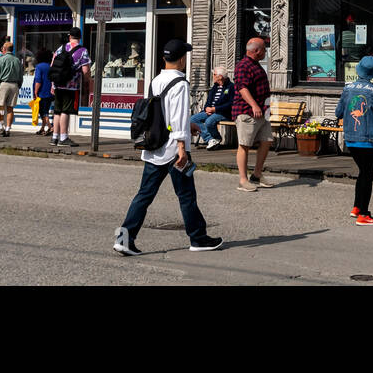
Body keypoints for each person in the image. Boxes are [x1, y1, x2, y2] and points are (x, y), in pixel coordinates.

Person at [113, 39, 223, 256]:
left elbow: (162, 113)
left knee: (144, 195)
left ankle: (124, 238)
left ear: (164, 58)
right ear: (181, 59)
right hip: (174, 149)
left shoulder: (156, 80)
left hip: (155, 146)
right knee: (186, 196)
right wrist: (182, 147)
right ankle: (198, 239)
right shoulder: (181, 84)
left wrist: (188, 124)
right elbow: (178, 115)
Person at [333, 55, 373, 225]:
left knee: (362, 172)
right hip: (367, 137)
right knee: (367, 175)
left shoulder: (348, 88)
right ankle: (364, 214)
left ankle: (357, 206)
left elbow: (338, 112)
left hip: (350, 137)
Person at [233, 37, 273, 191]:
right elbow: (243, 88)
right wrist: (254, 105)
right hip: (247, 111)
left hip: (262, 111)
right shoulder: (243, 65)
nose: (265, 51)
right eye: (264, 48)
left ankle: (256, 174)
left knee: (267, 140)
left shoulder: (255, 64)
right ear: (256, 51)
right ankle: (243, 180)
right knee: (244, 144)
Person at [50, 27, 91, 147]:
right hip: (71, 86)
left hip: (57, 84)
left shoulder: (61, 48)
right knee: (65, 111)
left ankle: (54, 137)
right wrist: (88, 80)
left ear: (69, 37)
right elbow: (85, 70)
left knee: (57, 111)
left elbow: (53, 65)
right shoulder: (82, 50)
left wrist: (53, 84)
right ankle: (64, 137)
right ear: (80, 37)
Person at [190, 67, 234, 150]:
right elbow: (208, 101)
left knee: (209, 121)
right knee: (192, 119)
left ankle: (216, 138)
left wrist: (215, 109)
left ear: (220, 76)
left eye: (214, 74)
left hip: (223, 113)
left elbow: (230, 104)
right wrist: (207, 108)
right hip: (211, 111)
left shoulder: (231, 87)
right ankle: (210, 139)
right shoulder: (215, 87)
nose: (213, 76)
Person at [0, 44, 24, 136]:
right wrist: (19, 84)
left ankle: (0, 127)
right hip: (14, 85)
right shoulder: (17, 60)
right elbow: (21, 75)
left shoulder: (0, 60)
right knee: (10, 108)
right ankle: (8, 128)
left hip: (3, 84)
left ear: (4, 49)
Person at [32, 48, 53, 137]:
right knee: (46, 109)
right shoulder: (50, 66)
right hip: (50, 92)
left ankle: (50, 127)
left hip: (42, 92)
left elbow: (38, 80)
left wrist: (35, 92)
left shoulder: (39, 66)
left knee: (43, 111)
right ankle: (42, 128)